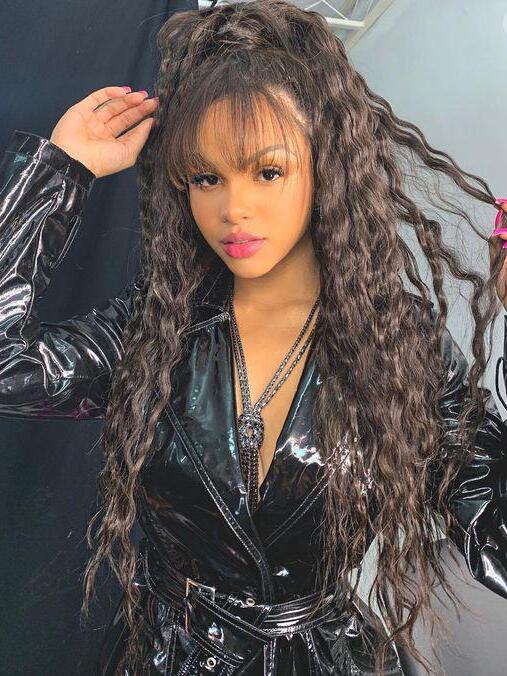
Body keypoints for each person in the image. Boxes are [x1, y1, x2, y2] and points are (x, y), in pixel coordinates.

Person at [1, 1, 506, 674]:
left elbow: (495, 534)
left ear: (325, 164)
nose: (233, 208)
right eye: (206, 177)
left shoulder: (400, 346)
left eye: (267, 171)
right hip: (173, 657)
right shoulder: (154, 328)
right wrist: (58, 173)